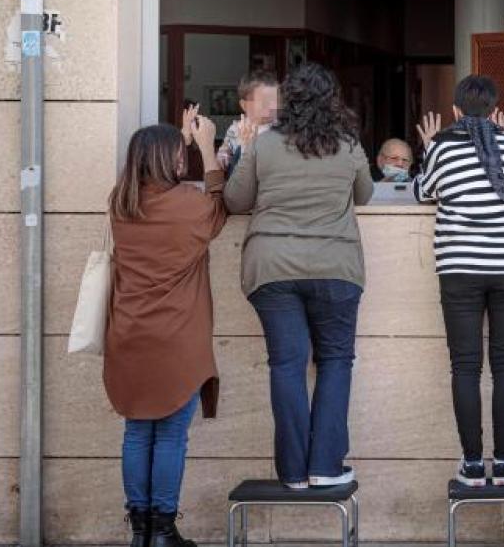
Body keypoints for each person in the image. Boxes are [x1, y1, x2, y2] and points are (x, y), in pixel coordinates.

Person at [224, 62, 375, 489]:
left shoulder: (265, 144)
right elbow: (365, 194)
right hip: (335, 267)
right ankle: (326, 466)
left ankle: (292, 472)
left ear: (290, 101)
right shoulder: (347, 144)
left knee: (287, 365)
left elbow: (236, 201)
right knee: (334, 361)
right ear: (334, 100)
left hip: (271, 268)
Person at [103, 104, 227, 547]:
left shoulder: (122, 203)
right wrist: (207, 148)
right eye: (178, 156)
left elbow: (158, 181)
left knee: (137, 432)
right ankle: (162, 531)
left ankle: (139, 531)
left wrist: (175, 138)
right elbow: (219, 206)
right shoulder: (189, 206)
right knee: (172, 433)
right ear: (167, 160)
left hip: (129, 335)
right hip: (176, 338)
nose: (183, 160)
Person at [413, 75, 504, 488]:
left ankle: (471, 465)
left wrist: (430, 147)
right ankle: (503, 464)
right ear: (494, 110)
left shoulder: (444, 150)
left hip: (459, 269)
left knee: (464, 367)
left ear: (455, 111)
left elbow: (421, 192)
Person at [217, 70, 279, 173]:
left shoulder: (280, 127)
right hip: (243, 179)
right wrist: (222, 157)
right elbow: (225, 149)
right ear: (244, 105)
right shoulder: (237, 129)